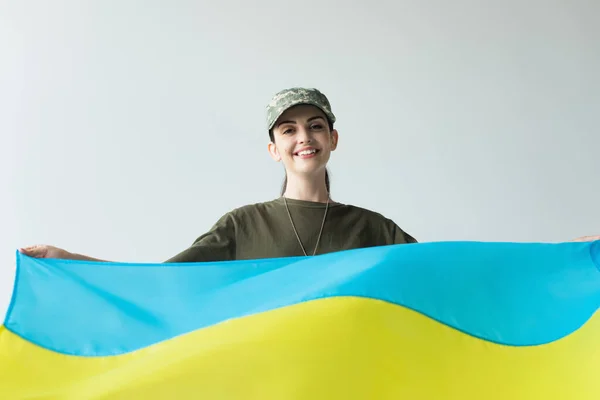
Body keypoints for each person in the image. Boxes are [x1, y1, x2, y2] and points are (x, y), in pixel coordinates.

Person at [18, 88, 599, 262]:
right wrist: (74, 261)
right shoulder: (242, 227)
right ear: (273, 149)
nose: (304, 138)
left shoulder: (371, 229)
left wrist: (559, 256)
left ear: (333, 140)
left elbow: (445, 273)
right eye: (289, 130)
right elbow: (166, 285)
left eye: (315, 126)